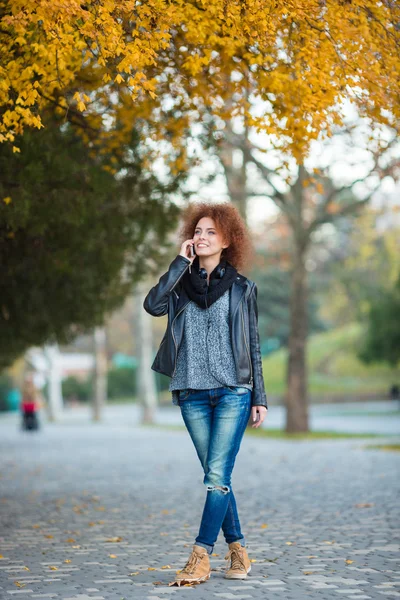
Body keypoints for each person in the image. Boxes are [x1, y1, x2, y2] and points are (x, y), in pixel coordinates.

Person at [143, 202, 268, 585]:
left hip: (233, 390)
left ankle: (200, 556)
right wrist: (178, 266)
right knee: (217, 475)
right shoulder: (179, 285)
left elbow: (253, 343)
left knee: (216, 476)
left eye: (211, 232)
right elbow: (152, 305)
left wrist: (259, 396)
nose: (201, 237)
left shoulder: (244, 288)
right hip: (191, 390)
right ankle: (239, 551)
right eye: (197, 231)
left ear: (228, 240)